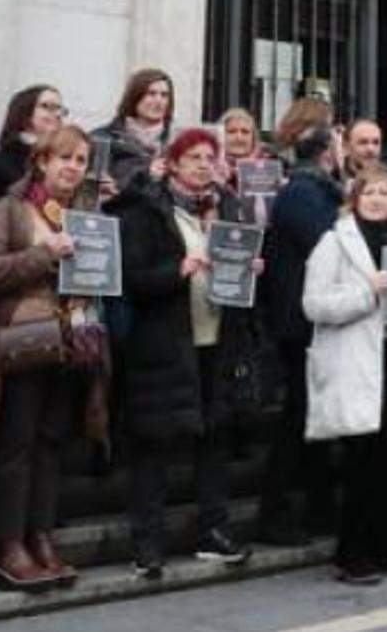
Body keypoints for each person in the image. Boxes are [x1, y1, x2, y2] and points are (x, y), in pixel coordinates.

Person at [0, 126, 100, 590]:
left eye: (81, 160)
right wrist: (41, 255)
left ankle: (41, 536)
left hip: (72, 343)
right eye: (65, 158)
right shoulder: (9, 210)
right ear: (42, 162)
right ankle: (9, 544)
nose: (73, 168)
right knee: (17, 443)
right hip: (20, 342)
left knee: (52, 442)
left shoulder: (87, 214)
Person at [106, 127, 255, 578]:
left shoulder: (230, 208)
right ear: (171, 163)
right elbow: (130, 277)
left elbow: (240, 272)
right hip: (163, 346)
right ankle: (147, 541)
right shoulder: (147, 211)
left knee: (214, 438)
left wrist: (251, 269)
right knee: (154, 443)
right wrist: (178, 270)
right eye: (193, 157)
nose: (203, 164)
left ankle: (213, 529)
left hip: (216, 342)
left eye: (210, 157)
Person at [303, 165, 387, 585]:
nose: (377, 199)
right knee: (363, 464)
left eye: (385, 193)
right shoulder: (334, 242)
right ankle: (353, 555)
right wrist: (368, 292)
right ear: (355, 198)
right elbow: (314, 305)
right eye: (370, 192)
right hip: (357, 363)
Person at [258, 100, 344, 546]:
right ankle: (274, 511)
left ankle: (319, 506)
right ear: (327, 148)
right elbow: (333, 245)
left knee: (313, 417)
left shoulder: (318, 188)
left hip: (311, 321)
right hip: (301, 323)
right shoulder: (303, 192)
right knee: (299, 417)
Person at [0, 84, 67, 239]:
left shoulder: (64, 169)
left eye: (60, 109)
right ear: (24, 113)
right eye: (47, 107)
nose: (57, 114)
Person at [90, 68, 175, 192]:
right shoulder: (102, 139)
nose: (159, 101)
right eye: (151, 93)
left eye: (164, 95)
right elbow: (91, 190)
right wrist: (146, 175)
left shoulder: (175, 145)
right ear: (134, 96)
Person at [342, 117, 384, 188]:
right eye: (363, 142)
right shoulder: (330, 184)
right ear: (346, 148)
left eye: (376, 143)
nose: (370, 149)